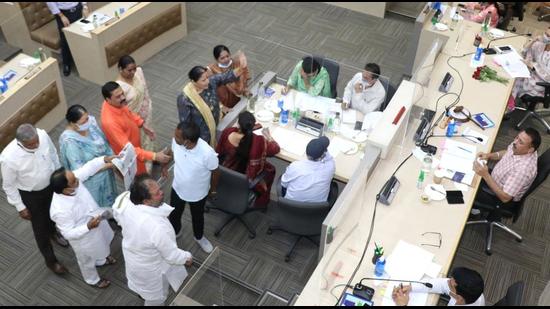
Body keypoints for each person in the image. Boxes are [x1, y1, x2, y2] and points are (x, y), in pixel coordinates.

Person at [112, 174, 193, 306]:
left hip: (132, 256)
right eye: (156, 193)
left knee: (143, 290)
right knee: (157, 298)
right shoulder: (157, 227)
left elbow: (116, 212)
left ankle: (142, 293)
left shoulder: (125, 198)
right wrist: (187, 257)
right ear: (146, 201)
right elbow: (172, 255)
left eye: (160, 189)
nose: (162, 192)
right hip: (150, 269)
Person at [0, 124, 69, 275]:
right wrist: (20, 207)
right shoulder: (8, 158)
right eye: (31, 144)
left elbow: (52, 154)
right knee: (40, 229)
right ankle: (51, 262)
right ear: (20, 143)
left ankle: (54, 233)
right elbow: (9, 186)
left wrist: (59, 174)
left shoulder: (42, 135)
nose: (36, 145)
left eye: (36, 141)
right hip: (31, 195)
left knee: (54, 213)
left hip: (50, 185)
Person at [50, 155, 117, 288]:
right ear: (66, 190)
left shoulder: (72, 179)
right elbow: (68, 233)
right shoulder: (60, 210)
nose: (78, 180)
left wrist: (104, 159)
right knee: (86, 260)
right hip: (83, 236)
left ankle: (102, 259)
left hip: (96, 219)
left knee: (103, 240)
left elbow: (87, 168)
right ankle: (92, 280)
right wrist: (87, 227)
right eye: (74, 181)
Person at [164, 121, 218, 253]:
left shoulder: (207, 153)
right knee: (174, 214)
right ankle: (175, 232)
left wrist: (213, 190)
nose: (174, 138)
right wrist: (164, 165)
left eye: (177, 137)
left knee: (197, 217)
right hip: (177, 188)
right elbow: (171, 151)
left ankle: (199, 237)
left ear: (187, 142)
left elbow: (215, 171)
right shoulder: (177, 142)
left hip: (198, 194)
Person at [100, 81, 171, 175]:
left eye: (122, 94)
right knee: (139, 180)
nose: (123, 98)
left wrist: (142, 124)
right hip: (131, 156)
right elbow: (129, 150)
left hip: (136, 147)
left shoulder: (115, 103)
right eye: (118, 96)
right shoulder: (110, 122)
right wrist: (154, 156)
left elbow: (128, 111)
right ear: (107, 99)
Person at [177, 59, 248, 147]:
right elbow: (185, 124)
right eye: (203, 80)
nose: (207, 81)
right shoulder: (185, 99)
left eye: (207, 77)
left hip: (218, 122)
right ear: (193, 82)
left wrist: (241, 67)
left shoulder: (211, 82)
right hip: (203, 136)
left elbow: (225, 77)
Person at [216, 111, 280, 209]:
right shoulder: (258, 141)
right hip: (245, 179)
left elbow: (218, 152)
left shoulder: (228, 132)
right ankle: (261, 204)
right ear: (252, 127)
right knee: (270, 169)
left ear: (238, 124)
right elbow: (275, 149)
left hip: (224, 173)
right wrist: (269, 137)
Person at [59, 105, 117, 209]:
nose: (88, 122)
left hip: (107, 173)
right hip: (92, 182)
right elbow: (81, 170)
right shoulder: (70, 143)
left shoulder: (90, 124)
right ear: (73, 124)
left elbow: (104, 142)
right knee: (99, 209)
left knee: (112, 203)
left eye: (87, 118)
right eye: (83, 121)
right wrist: (107, 165)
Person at [472, 128, 540, 209]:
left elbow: (505, 198)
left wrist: (486, 175)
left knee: (467, 191)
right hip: (495, 177)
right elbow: (507, 152)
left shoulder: (523, 170)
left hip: (499, 196)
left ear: (530, 150)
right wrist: (489, 155)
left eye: (520, 142)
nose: (515, 142)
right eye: (517, 137)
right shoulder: (519, 146)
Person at [116, 55, 156, 173]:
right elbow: (122, 108)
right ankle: (145, 170)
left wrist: (149, 106)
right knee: (139, 143)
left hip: (147, 113)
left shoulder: (139, 72)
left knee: (149, 138)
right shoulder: (118, 87)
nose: (133, 72)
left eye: (134, 68)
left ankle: (153, 158)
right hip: (134, 120)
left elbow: (145, 90)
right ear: (120, 69)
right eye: (129, 70)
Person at [281, 136, 336, 203]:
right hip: (315, 209)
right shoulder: (330, 168)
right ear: (322, 155)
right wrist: (324, 147)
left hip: (291, 204)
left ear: (306, 151)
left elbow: (284, 184)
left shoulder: (295, 166)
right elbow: (330, 159)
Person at [392, 267, 485, 306]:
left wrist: (403, 305)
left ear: (459, 298)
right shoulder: (469, 291)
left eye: (450, 284)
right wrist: (411, 287)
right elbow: (441, 284)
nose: (447, 282)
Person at [508, 27, 550, 112]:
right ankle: (510, 100)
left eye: (548, 36)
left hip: (542, 84)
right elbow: (524, 52)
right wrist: (533, 40)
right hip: (531, 75)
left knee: (514, 79)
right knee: (513, 73)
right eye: (546, 34)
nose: (545, 37)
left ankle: (509, 103)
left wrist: (534, 67)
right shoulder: (541, 45)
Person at [46, 2, 89, 76]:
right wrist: (61, 16)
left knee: (81, 33)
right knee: (65, 38)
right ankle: (66, 63)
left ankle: (84, 60)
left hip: (78, 8)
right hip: (63, 13)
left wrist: (84, 6)